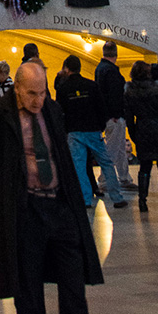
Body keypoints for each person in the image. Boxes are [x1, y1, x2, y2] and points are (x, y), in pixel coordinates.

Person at [0, 57, 112, 314]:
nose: (38, 100)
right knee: (28, 281)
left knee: (74, 281)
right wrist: (5, 199)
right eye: (32, 93)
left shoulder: (53, 111)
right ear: (17, 89)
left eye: (43, 93)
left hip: (60, 208)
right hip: (26, 212)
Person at [55, 55, 127, 209]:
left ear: (66, 68)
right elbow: (101, 108)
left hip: (74, 132)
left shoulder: (63, 89)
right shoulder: (92, 86)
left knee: (79, 166)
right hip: (93, 130)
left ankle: (85, 200)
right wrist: (100, 126)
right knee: (107, 163)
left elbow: (60, 112)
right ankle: (117, 197)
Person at [124, 62, 158, 212]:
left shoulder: (129, 91)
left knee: (144, 167)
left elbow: (128, 116)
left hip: (143, 129)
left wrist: (134, 133)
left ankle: (142, 201)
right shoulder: (157, 89)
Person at [93, 41, 132, 190]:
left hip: (107, 115)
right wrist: (115, 114)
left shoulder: (100, 69)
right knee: (113, 149)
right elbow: (114, 95)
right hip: (114, 116)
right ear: (116, 54)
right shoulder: (111, 71)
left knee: (120, 148)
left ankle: (124, 178)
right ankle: (103, 180)